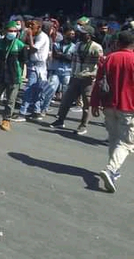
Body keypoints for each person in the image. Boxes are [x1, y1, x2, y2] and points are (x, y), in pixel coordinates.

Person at [91, 31, 134, 192]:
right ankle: (111, 169)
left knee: (115, 139)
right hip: (129, 106)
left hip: (109, 104)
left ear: (118, 43)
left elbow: (98, 82)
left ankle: (113, 171)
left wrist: (94, 103)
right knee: (126, 143)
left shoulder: (109, 58)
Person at [51, 25, 104, 135]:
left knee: (86, 104)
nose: (79, 35)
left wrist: (94, 75)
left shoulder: (96, 47)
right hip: (75, 77)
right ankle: (60, 120)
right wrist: (72, 74)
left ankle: (83, 125)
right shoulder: (78, 45)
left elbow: (100, 64)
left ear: (89, 35)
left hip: (88, 79)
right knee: (66, 100)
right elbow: (74, 61)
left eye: (83, 33)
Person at [0, 21, 26, 131]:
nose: (12, 33)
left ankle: (6, 120)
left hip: (14, 75)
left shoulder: (20, 45)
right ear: (5, 31)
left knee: (10, 100)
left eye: (15, 31)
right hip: (0, 74)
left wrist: (21, 77)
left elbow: (23, 61)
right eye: (10, 31)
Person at [15, 20, 51, 121]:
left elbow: (34, 49)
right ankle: (36, 111)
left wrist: (30, 36)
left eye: (32, 26)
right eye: (29, 25)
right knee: (36, 89)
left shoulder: (42, 37)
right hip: (35, 65)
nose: (30, 27)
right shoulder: (38, 36)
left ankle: (22, 112)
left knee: (29, 89)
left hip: (38, 66)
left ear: (39, 27)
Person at [41, 26, 76, 113]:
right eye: (70, 34)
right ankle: (44, 109)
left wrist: (62, 55)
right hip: (55, 70)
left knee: (66, 94)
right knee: (50, 90)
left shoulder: (74, 47)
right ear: (64, 34)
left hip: (67, 72)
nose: (72, 36)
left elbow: (71, 58)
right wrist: (65, 56)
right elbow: (56, 55)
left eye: (73, 34)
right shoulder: (56, 44)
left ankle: (62, 113)